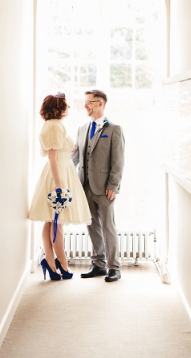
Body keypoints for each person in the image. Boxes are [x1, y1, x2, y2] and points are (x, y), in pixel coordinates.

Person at [29, 92, 91, 280]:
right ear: (59, 108)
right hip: (58, 175)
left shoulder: (51, 125)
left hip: (60, 171)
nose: (67, 109)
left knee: (51, 221)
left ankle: (50, 261)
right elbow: (52, 156)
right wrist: (59, 184)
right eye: (65, 106)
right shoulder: (55, 126)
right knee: (57, 223)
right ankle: (62, 264)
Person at [71, 89, 126, 282]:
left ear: (100, 103)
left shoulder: (114, 129)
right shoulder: (82, 129)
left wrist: (114, 185)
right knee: (92, 226)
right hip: (84, 187)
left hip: (105, 188)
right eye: (85, 102)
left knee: (108, 227)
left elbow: (118, 161)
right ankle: (99, 264)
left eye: (89, 102)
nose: (85, 105)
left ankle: (114, 267)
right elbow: (75, 159)